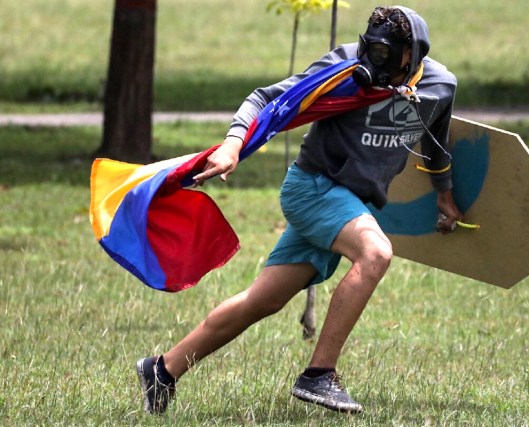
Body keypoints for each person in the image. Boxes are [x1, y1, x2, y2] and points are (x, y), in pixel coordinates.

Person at [136, 5, 462, 415]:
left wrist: (444, 194)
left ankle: (162, 370)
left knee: (262, 300)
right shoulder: (345, 65)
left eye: (386, 56)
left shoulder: (440, 86)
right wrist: (233, 144)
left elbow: (436, 143)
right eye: (371, 50)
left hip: (351, 202)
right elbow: (265, 99)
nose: (374, 63)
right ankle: (319, 374)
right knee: (375, 252)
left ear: (411, 57)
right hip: (313, 187)